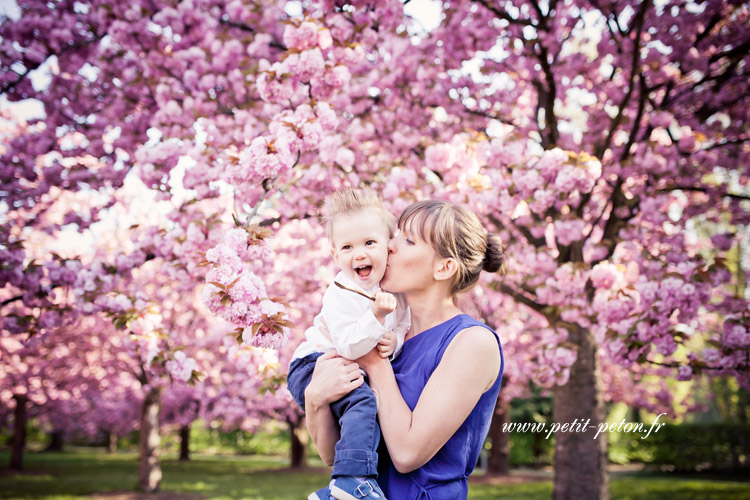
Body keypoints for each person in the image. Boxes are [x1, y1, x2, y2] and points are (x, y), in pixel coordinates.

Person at [304, 199, 506, 500]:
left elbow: (408, 453)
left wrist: (375, 363)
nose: (389, 246)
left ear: (444, 267)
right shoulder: (383, 330)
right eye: (396, 235)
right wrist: (315, 400)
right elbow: (334, 457)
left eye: (408, 240)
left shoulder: (472, 342)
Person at [286, 187, 410, 500]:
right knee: (364, 402)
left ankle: (334, 494)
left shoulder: (394, 292)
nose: (359, 253)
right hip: (314, 364)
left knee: (365, 412)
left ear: (388, 247)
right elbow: (350, 347)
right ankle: (352, 481)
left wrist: (393, 341)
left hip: (343, 364)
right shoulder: (340, 293)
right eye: (347, 246)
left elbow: (401, 328)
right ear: (335, 255)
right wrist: (376, 315)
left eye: (370, 242)